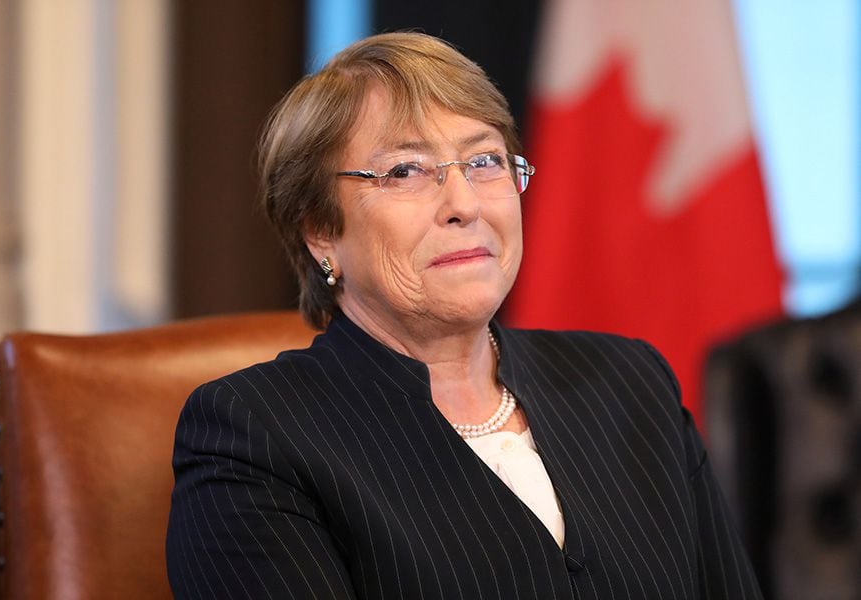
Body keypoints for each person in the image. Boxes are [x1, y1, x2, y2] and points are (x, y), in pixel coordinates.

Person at [165, 32, 762, 599]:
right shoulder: (251, 434)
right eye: (405, 171)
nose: (464, 204)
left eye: (484, 162)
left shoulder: (630, 382)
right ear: (321, 230)